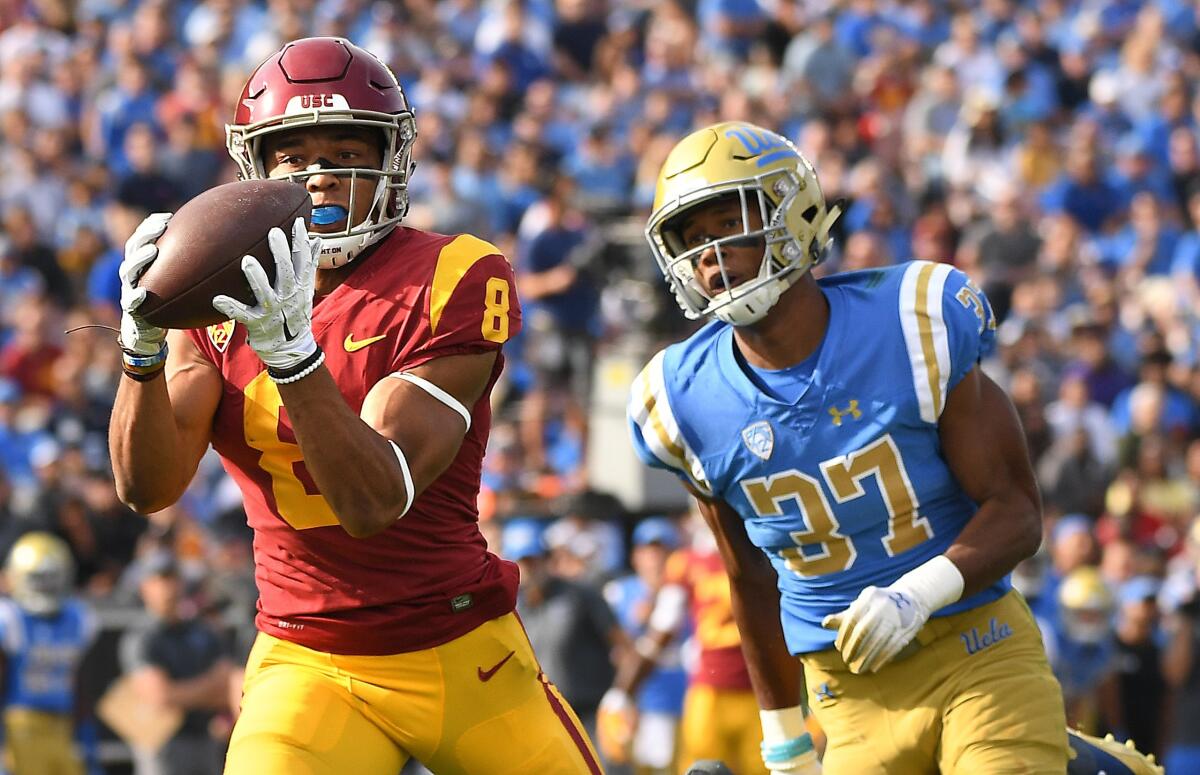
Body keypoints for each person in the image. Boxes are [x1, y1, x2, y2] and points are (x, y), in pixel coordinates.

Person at [108, 37, 601, 775]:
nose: (320, 176)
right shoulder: (215, 304)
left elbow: (374, 499)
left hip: (456, 645)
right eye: (294, 157)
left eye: (346, 150)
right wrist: (141, 351)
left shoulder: (454, 273)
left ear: (392, 160)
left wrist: (291, 354)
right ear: (256, 169)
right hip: (307, 655)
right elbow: (147, 488)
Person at [627, 121, 1160, 774]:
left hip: (976, 649)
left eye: (727, 224)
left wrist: (918, 592)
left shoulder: (911, 322)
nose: (711, 254)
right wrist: (787, 745)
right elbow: (750, 577)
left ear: (790, 214)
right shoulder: (681, 400)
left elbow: (1017, 509)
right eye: (693, 240)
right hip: (848, 691)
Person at [118, 551, 234, 775]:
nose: (168, 587)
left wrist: (185, 694)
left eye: (172, 579)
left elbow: (227, 686)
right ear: (145, 587)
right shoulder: (141, 637)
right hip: (163, 743)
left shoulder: (203, 631)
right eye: (160, 580)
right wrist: (209, 686)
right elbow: (160, 697)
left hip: (204, 739)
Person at [0, 532, 98, 775]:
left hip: (64, 726)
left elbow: (80, 684)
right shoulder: (9, 618)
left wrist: (86, 737)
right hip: (20, 724)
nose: (46, 586)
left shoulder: (79, 618)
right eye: (38, 579)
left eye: (52, 578)